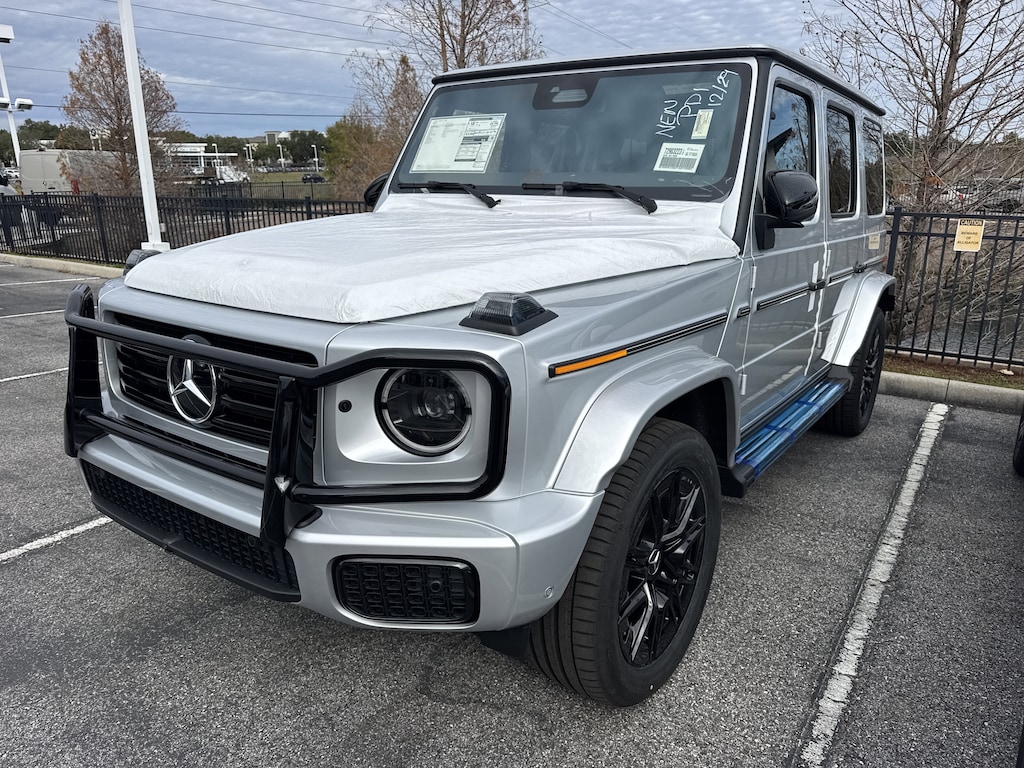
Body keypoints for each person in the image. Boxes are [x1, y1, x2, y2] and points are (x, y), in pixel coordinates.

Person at [0, 174, 22, 250]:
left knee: (5, 225)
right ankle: (9, 242)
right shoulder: (6, 187)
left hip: (5, 208)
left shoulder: (3, 188)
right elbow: (15, 194)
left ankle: (8, 242)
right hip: (7, 208)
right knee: (6, 226)